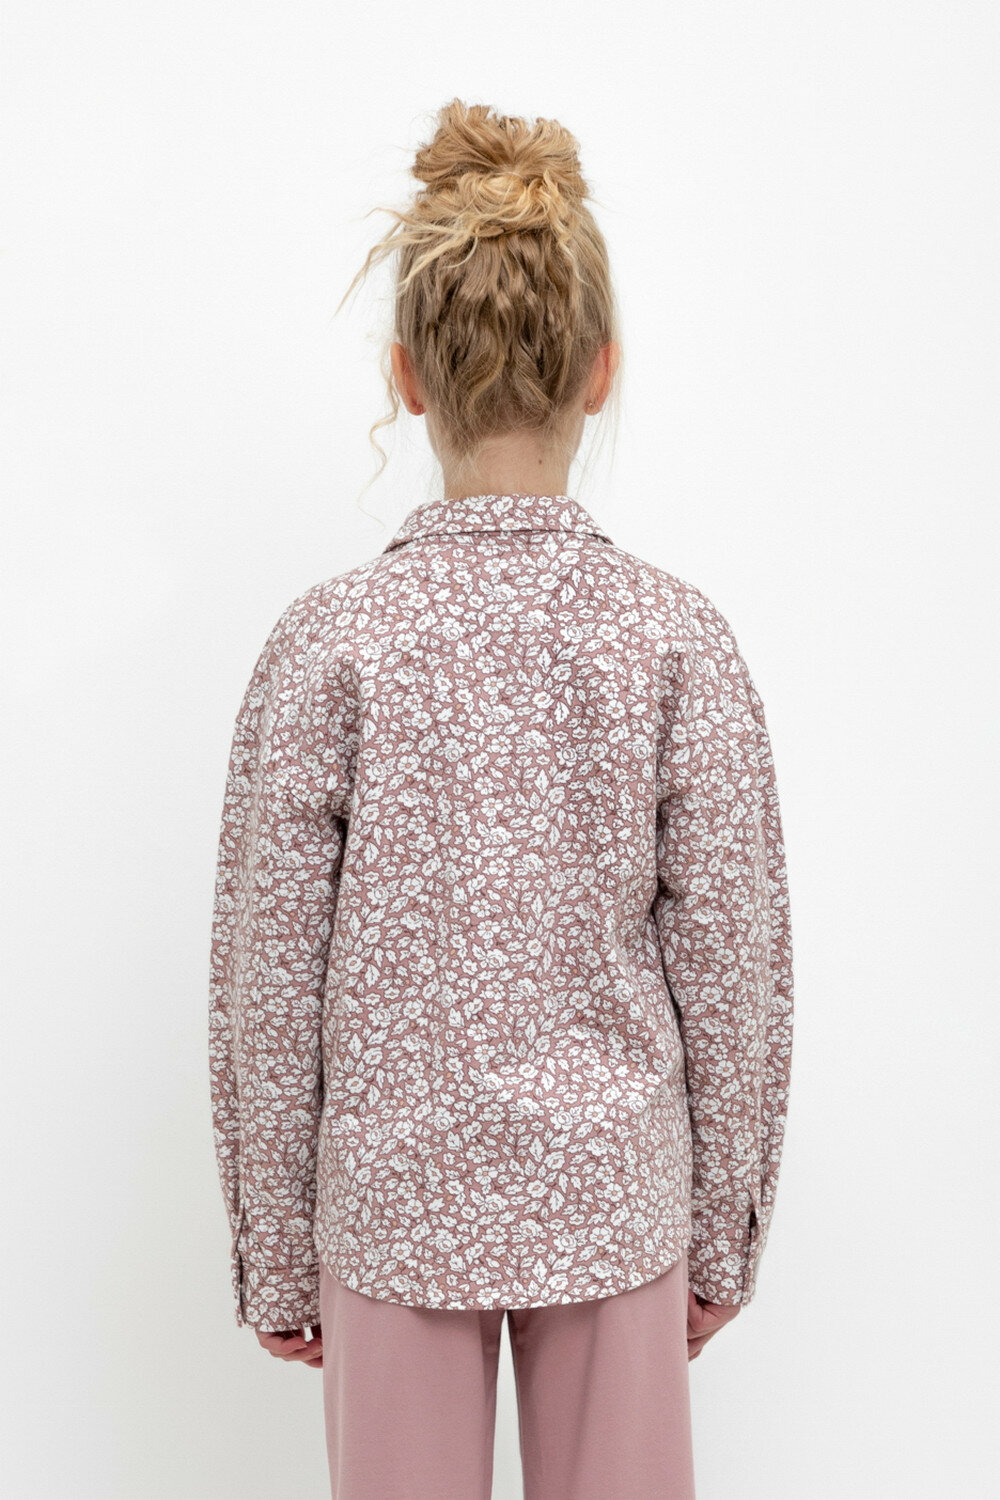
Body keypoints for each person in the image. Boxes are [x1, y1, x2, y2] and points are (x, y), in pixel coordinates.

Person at [208, 97, 794, 1500]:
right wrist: (721, 1237)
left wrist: (277, 1251)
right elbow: (735, 963)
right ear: (601, 370)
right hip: (612, 1197)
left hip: (393, 1202)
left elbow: (269, 978)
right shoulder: (674, 638)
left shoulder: (329, 643)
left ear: (409, 378)